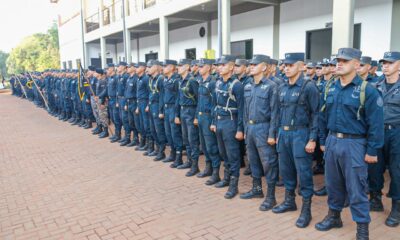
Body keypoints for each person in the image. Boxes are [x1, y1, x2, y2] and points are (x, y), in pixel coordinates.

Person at [315, 48, 384, 240]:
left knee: (357, 188)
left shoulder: (367, 90)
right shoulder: (330, 87)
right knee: (333, 183)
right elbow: (322, 116)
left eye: (345, 61)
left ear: (356, 64)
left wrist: (372, 150)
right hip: (332, 141)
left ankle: (362, 228)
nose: (339, 64)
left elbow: (376, 124)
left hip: (354, 144)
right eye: (338, 60)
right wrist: (323, 141)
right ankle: (334, 216)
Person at [272, 52, 319, 229]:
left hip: (301, 134)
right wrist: (277, 133)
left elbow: (316, 114)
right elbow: (278, 112)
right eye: (285, 65)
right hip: (284, 134)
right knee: (286, 169)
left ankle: (306, 209)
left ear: (300, 66)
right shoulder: (282, 87)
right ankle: (289, 201)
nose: (286, 68)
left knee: (304, 171)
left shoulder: (309, 87)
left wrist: (312, 138)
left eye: (291, 65)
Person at [239, 54, 279, 212]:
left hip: (264, 128)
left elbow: (275, 113)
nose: (251, 67)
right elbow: (245, 112)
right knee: (253, 160)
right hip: (250, 128)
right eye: (250, 64)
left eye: (255, 65)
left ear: (264, 67)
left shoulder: (271, 86)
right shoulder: (248, 86)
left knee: (268, 162)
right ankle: (256, 189)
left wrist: (271, 134)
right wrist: (244, 128)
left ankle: (271, 196)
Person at [368, 51, 400, 227]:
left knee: (397, 170)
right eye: (384, 63)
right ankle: (375, 198)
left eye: (390, 63)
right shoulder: (376, 85)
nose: (385, 66)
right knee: (374, 167)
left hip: (397, 133)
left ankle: (397, 207)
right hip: (378, 131)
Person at [211, 55, 244, 199]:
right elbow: (215, 104)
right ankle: (226, 178)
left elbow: (242, 109)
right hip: (219, 121)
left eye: (223, 65)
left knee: (233, 155)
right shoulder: (218, 83)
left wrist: (240, 129)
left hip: (231, 122)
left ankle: (233, 184)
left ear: (231, 67)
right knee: (223, 153)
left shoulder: (237, 85)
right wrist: (213, 122)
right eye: (218, 65)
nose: (219, 67)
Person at [195, 58, 222, 185]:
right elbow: (198, 101)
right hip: (200, 116)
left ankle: (216, 172)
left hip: (208, 117)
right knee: (204, 145)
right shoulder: (200, 81)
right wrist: (196, 116)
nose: (199, 69)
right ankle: (208, 167)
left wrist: (213, 121)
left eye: (201, 67)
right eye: (198, 67)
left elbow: (215, 104)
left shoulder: (212, 82)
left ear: (208, 67)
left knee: (211, 145)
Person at [175, 59, 200, 177]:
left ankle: (195, 166)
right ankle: (189, 161)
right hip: (183, 110)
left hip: (191, 110)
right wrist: (177, 114)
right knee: (186, 139)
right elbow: (179, 98)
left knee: (192, 139)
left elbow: (199, 99)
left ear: (186, 67)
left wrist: (196, 116)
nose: (178, 68)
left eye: (180, 66)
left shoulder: (192, 81)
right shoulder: (181, 81)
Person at [159, 60, 184, 167]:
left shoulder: (176, 80)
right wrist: (161, 110)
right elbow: (162, 95)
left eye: (165, 66)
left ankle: (179, 157)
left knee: (175, 133)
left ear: (171, 67)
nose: (163, 68)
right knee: (168, 133)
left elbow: (178, 98)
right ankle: (173, 154)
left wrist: (177, 114)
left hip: (174, 108)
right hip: (166, 108)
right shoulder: (165, 79)